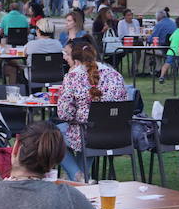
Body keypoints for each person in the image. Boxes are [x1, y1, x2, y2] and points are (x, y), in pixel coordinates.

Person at [54, 39, 127, 182]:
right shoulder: (116, 75)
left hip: (88, 134)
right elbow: (124, 104)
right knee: (89, 128)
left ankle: (77, 176)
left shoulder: (73, 77)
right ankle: (83, 179)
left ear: (76, 60)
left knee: (53, 135)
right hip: (116, 134)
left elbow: (64, 114)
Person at [158, 16, 179, 84]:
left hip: (171, 50)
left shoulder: (175, 32)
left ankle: (161, 76)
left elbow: (170, 39)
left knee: (167, 64)